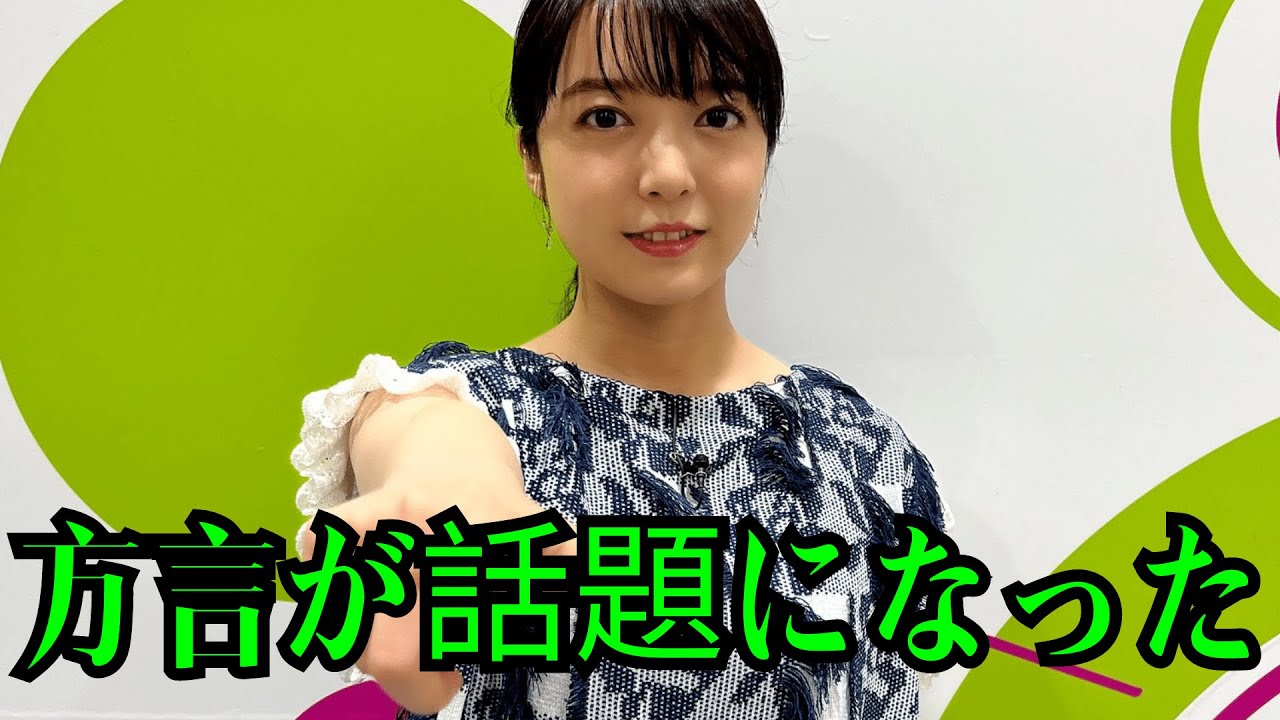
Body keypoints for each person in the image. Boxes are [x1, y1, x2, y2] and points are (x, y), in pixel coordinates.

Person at [290, 0, 954, 717]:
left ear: (764, 146)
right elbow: (417, 436)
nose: (667, 174)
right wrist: (442, 479)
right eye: (604, 117)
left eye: (718, 115)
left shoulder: (862, 450)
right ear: (532, 157)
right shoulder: (479, 409)